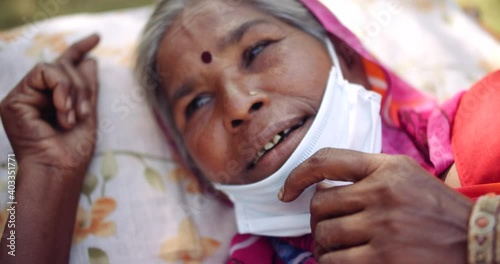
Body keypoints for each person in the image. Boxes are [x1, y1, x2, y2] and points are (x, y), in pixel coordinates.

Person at [0, 0, 499, 264]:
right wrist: (47, 172)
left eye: (257, 50)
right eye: (196, 102)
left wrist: (477, 234)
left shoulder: (489, 122)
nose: (239, 105)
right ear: (198, 172)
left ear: (346, 56)